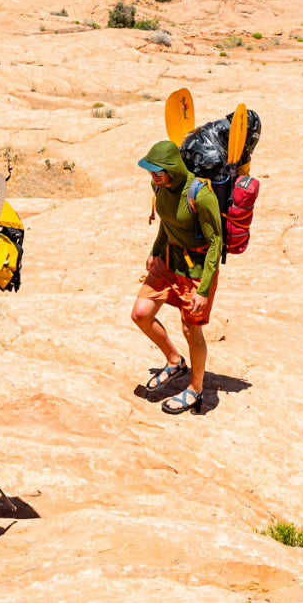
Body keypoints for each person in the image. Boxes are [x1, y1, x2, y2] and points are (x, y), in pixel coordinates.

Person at [130, 140, 224, 414]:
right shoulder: (159, 187)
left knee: (190, 329)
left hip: (196, 270)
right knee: (140, 314)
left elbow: (216, 243)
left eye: (158, 172)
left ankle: (195, 388)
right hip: (169, 259)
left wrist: (204, 290)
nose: (153, 177)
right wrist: (155, 250)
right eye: (151, 172)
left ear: (173, 169)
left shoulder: (200, 194)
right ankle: (175, 361)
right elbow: (166, 221)